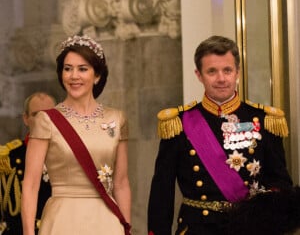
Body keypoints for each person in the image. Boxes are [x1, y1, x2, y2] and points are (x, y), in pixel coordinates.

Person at [147, 35, 296, 235]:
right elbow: (162, 192)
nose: (221, 79)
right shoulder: (179, 123)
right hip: (198, 229)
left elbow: (280, 184)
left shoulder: (263, 120)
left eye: (227, 70)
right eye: (212, 71)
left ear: (237, 73)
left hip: (250, 229)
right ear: (199, 75)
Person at [21, 34, 131, 235]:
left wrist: (126, 228)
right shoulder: (46, 120)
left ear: (97, 76)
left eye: (83, 69)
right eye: (68, 68)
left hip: (107, 220)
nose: (74, 76)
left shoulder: (117, 118)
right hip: (62, 219)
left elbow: (121, 183)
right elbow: (30, 184)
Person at [0, 92, 56, 235]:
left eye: (49, 114)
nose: (43, 120)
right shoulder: (8, 159)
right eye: (36, 114)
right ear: (26, 119)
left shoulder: (70, 156)